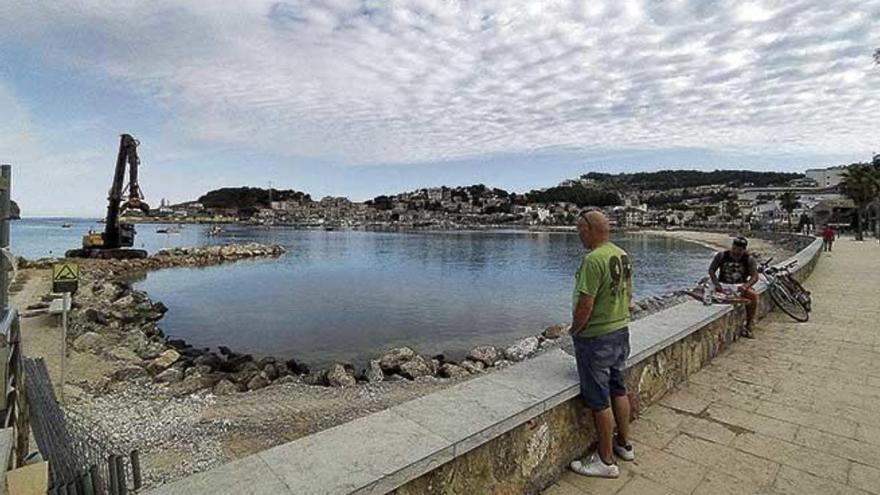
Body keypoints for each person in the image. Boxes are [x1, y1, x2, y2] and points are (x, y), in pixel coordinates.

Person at [569, 210, 634, 479]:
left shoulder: (593, 260)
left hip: (596, 338)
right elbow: (629, 294)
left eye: (579, 231)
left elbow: (586, 304)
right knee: (618, 388)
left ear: (589, 229)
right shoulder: (621, 254)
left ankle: (606, 460)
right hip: (620, 330)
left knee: (598, 399)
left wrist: (575, 331)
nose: (579, 236)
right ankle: (624, 444)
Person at [708, 236, 759, 338]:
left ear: (744, 250)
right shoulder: (721, 256)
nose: (736, 252)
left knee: (753, 297)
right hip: (723, 284)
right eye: (734, 248)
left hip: (740, 285)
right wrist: (717, 284)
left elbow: (755, 276)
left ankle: (749, 324)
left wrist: (746, 286)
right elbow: (711, 270)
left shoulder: (749, 259)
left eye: (739, 250)